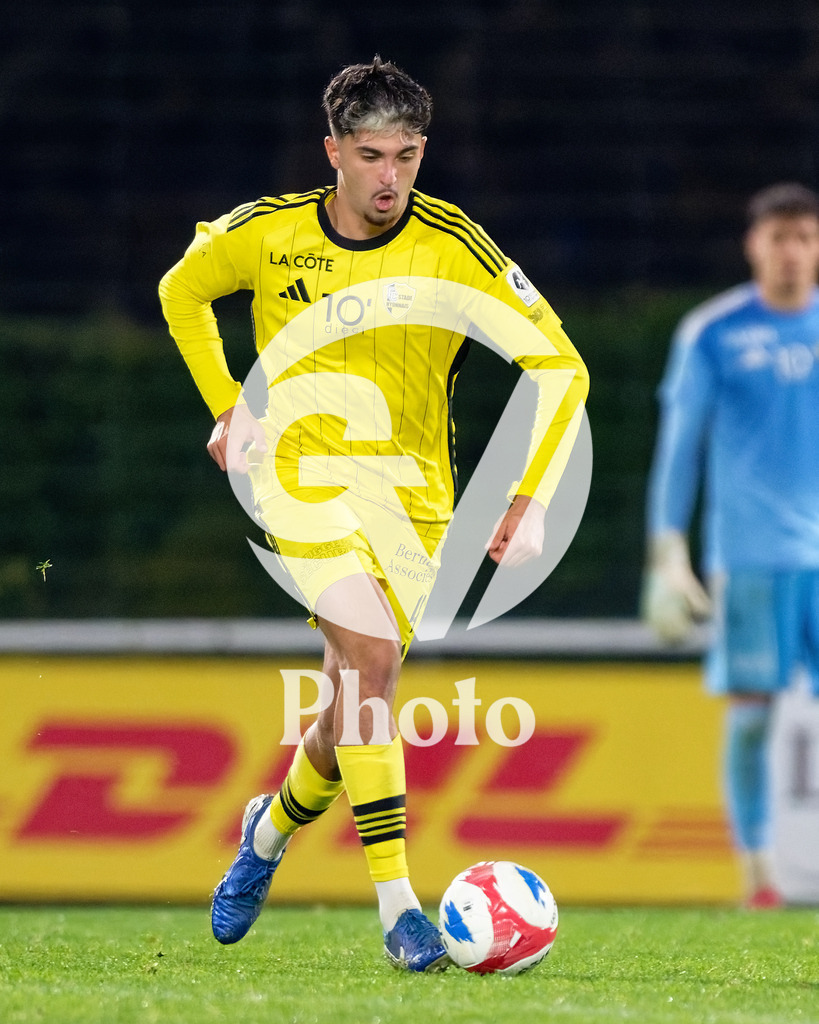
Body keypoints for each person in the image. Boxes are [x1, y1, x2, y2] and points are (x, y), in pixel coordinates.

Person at [159, 57, 588, 969]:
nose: (390, 176)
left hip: (416, 502)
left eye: (405, 155)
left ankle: (267, 833)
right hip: (299, 479)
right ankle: (400, 909)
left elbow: (562, 366)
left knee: (361, 689)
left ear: (421, 150)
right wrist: (226, 403)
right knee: (367, 655)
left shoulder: (453, 246)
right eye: (369, 155)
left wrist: (530, 498)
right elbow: (180, 292)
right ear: (333, 152)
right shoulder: (267, 235)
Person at [643, 182, 819, 909]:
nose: (790, 252)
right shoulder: (711, 332)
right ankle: (758, 876)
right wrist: (665, 549)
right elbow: (678, 450)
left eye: (803, 237)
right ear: (753, 245)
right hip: (747, 557)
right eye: (777, 238)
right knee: (751, 717)